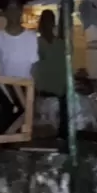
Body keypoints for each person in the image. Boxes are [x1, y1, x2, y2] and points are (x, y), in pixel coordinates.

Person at [0, 0, 39, 131]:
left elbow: (34, 66)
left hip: (26, 85)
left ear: (21, 11)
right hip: (5, 86)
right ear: (4, 13)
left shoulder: (32, 37)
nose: (14, 12)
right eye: (10, 9)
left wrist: (32, 90)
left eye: (17, 8)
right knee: (8, 119)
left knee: (27, 118)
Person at [33, 9, 68, 138]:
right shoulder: (36, 43)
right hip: (43, 91)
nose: (48, 24)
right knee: (44, 126)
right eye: (46, 21)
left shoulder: (60, 43)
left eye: (51, 21)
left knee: (62, 126)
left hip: (60, 90)